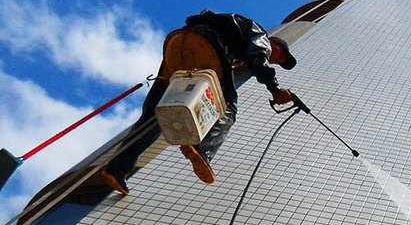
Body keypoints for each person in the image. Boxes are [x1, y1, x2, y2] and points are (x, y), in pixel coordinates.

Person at [100, 10, 297, 195]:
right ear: (274, 42)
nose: (275, 60)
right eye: (279, 55)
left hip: (180, 44)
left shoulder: (236, 37)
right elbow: (258, 57)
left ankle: (116, 169)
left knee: (157, 116)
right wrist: (275, 89)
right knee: (227, 105)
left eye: (278, 61)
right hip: (208, 46)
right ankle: (203, 149)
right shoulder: (260, 35)